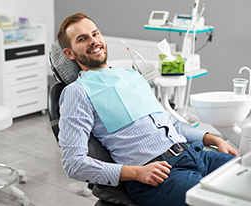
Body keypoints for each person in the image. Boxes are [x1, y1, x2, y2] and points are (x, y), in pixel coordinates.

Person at [57, 13, 239, 206]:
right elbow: (73, 164)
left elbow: (173, 124)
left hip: (194, 154)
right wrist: (136, 172)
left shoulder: (131, 76)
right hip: (158, 175)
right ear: (69, 53)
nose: (93, 41)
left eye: (95, 34)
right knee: (222, 202)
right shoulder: (76, 92)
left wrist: (214, 139)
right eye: (82, 39)